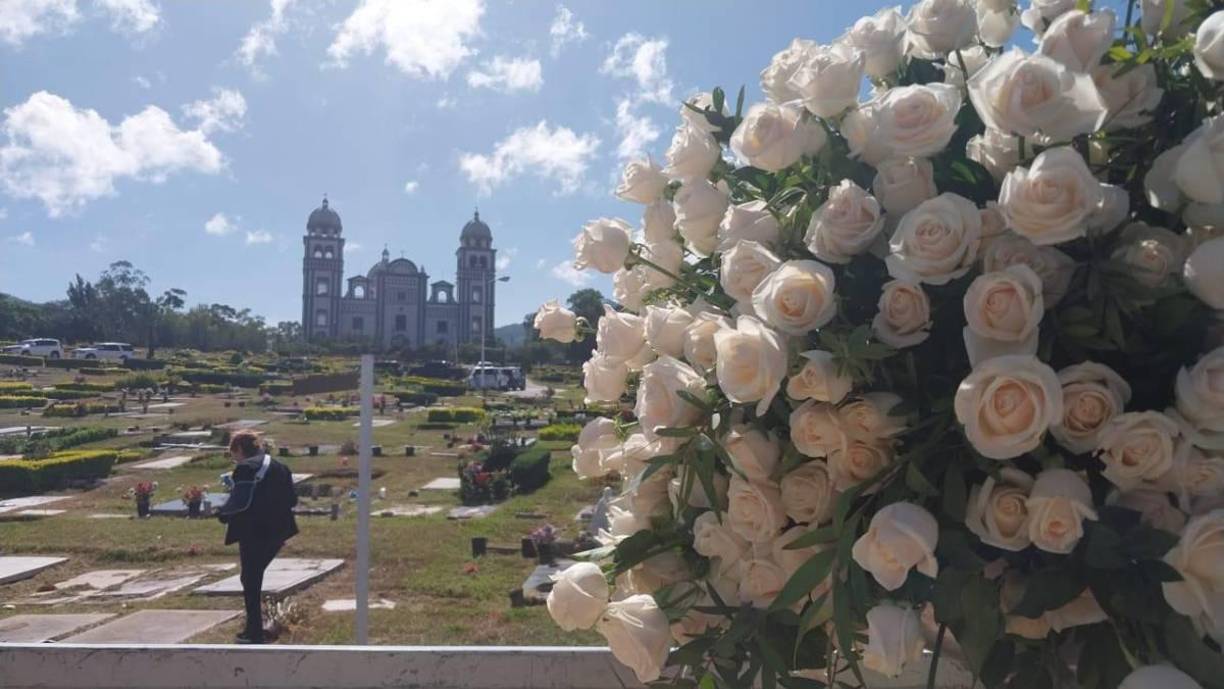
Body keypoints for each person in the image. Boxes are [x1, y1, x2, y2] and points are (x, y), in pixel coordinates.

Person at [216, 430, 298, 644]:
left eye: (233, 453)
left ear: (240, 449)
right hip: (279, 531)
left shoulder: (245, 468)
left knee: (250, 579)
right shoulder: (281, 466)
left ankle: (254, 632)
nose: (234, 458)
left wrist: (222, 513)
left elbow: (239, 502)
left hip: (253, 531)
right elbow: (292, 499)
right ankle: (259, 623)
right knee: (252, 576)